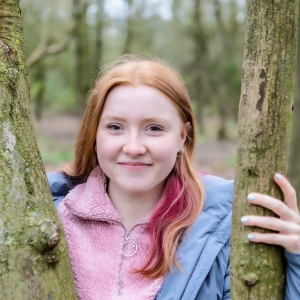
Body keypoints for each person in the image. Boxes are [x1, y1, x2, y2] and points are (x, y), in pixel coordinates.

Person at [47, 56, 300, 300]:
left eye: (154, 128)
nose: (133, 147)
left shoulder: (225, 227)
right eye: (115, 127)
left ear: (182, 136)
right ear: (94, 134)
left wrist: (298, 259)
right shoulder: (49, 218)